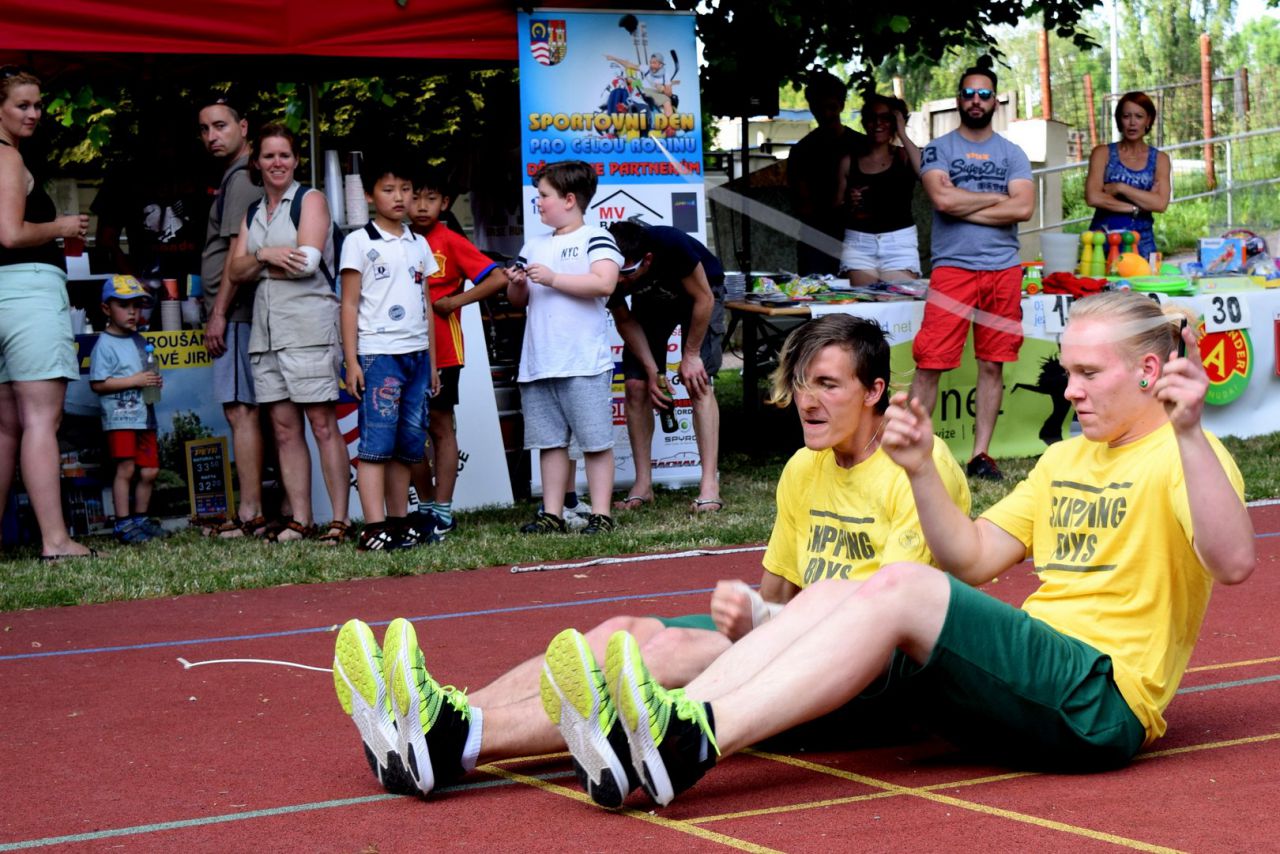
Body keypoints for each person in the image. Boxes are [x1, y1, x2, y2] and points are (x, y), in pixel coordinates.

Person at [548, 292, 1254, 809]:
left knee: (899, 584)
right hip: (1033, 686)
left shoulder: (1185, 455)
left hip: (1101, 701)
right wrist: (919, 471)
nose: (1070, 390)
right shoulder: (1064, 459)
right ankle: (661, 733)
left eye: (1089, 374)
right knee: (837, 591)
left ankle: (696, 737)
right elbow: (973, 557)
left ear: (1150, 370)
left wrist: (1191, 433)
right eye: (1068, 371)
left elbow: (1233, 564)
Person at [329, 313, 969, 804]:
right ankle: (441, 720)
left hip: (868, 678)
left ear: (875, 391)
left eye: (828, 385)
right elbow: (776, 598)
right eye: (802, 383)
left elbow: (888, 612)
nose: (807, 400)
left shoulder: (915, 469)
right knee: (619, 632)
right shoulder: (805, 466)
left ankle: (460, 741)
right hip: (799, 643)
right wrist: (753, 610)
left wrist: (764, 622)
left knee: (663, 654)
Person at [224, 123, 350, 544]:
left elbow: (307, 263)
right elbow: (234, 271)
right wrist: (267, 254)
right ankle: (301, 519)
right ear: (257, 163)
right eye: (268, 155)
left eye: (284, 155)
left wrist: (257, 263)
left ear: (296, 160)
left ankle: (340, 520)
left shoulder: (310, 199)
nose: (277, 162)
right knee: (283, 429)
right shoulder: (254, 211)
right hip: (266, 333)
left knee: (321, 424)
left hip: (307, 326)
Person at [913, 64, 1035, 481]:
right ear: (959, 99)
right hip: (953, 269)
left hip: (1003, 270)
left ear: (995, 100)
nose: (976, 101)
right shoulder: (938, 148)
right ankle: (915, 452)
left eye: (984, 94)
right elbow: (942, 201)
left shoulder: (1012, 153)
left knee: (993, 363)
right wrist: (996, 198)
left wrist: (963, 200)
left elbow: (1023, 207)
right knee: (930, 362)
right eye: (969, 93)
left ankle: (981, 455)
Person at [0, 66, 92, 560]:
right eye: (22, 105)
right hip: (28, 292)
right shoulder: (8, 157)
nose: (34, 113)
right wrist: (60, 225)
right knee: (40, 418)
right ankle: (55, 541)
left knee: (5, 425)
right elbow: (11, 233)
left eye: (37, 104)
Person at [507, 160, 622, 536]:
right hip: (539, 362)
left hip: (583, 362)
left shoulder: (596, 237)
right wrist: (517, 283)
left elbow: (604, 283)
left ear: (569, 199)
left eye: (544, 195)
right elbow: (518, 300)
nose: (538, 202)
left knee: (595, 442)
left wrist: (554, 278)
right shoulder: (534, 244)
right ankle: (552, 513)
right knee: (550, 442)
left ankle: (601, 514)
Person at [339, 156, 439, 552]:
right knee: (376, 445)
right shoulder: (358, 242)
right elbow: (348, 305)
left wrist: (432, 363)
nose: (399, 198)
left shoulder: (419, 243)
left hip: (417, 356)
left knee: (407, 445)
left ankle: (398, 521)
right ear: (369, 195)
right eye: (388, 190)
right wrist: (352, 361)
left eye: (405, 190)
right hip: (379, 356)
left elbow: (426, 303)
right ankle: (373, 527)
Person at [406, 166, 510, 538]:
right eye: (415, 197)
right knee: (409, 433)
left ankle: (443, 511)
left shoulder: (450, 240)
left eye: (431, 198)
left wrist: (455, 301)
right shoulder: (397, 240)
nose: (421, 206)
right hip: (401, 350)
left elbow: (498, 277)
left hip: (445, 353)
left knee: (440, 426)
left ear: (445, 203)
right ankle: (424, 506)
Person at [606, 221, 726, 513]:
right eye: (614, 272)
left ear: (647, 260)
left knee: (698, 382)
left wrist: (691, 354)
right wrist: (652, 371)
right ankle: (642, 486)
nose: (619, 281)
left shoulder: (671, 244)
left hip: (700, 294)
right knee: (635, 386)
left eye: (626, 273)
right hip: (653, 302)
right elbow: (625, 320)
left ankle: (709, 486)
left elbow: (704, 299)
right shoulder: (605, 266)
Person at [199, 96, 268, 538]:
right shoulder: (235, 176)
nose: (212, 136)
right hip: (239, 311)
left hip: (238, 312)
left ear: (244, 128)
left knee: (240, 411)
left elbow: (234, 258)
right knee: (245, 410)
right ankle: (256, 508)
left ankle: (250, 512)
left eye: (220, 126)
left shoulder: (242, 178)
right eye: (205, 129)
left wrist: (219, 313)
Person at [89, 276, 164, 544]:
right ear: (106, 309)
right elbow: (98, 384)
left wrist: (152, 381)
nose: (132, 312)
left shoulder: (140, 340)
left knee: (150, 470)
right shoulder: (105, 344)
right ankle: (123, 523)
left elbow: (145, 373)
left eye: (136, 305)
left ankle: (141, 519)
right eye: (124, 305)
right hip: (121, 419)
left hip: (145, 417)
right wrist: (136, 380)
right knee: (126, 468)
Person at [835, 94, 923, 285]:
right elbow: (835, 206)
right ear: (864, 122)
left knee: (897, 299)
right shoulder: (849, 161)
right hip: (859, 242)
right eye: (872, 118)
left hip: (898, 242)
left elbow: (924, 173)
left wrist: (902, 133)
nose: (878, 123)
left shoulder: (904, 156)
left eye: (886, 118)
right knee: (862, 300)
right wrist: (849, 202)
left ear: (895, 122)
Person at [787, 71, 866, 276]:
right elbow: (802, 205)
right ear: (812, 108)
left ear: (842, 105)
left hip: (859, 237)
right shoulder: (802, 151)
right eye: (819, 108)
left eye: (831, 107)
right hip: (816, 241)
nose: (826, 114)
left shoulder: (862, 145)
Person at [1085, 91, 1171, 260]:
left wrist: (1120, 188)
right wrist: (1136, 208)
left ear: (1148, 120)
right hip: (1103, 239)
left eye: (1139, 116)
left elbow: (1160, 203)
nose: (1132, 123)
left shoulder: (1160, 159)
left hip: (1142, 242)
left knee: (1144, 278)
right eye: (1126, 116)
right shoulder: (1102, 153)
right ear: (1119, 120)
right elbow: (1093, 197)